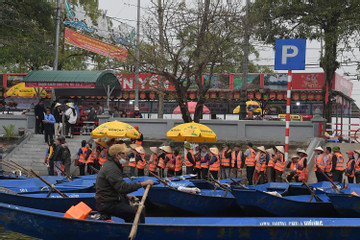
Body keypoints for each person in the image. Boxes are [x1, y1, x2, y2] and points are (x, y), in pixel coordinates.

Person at [95, 144, 154, 223]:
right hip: (108, 203)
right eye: (123, 153)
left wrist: (126, 195)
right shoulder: (111, 168)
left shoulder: (113, 164)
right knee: (138, 213)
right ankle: (140, 233)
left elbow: (115, 186)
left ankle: (127, 227)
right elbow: (123, 187)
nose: (126, 155)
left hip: (111, 199)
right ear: (117, 155)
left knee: (133, 209)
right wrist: (143, 183)